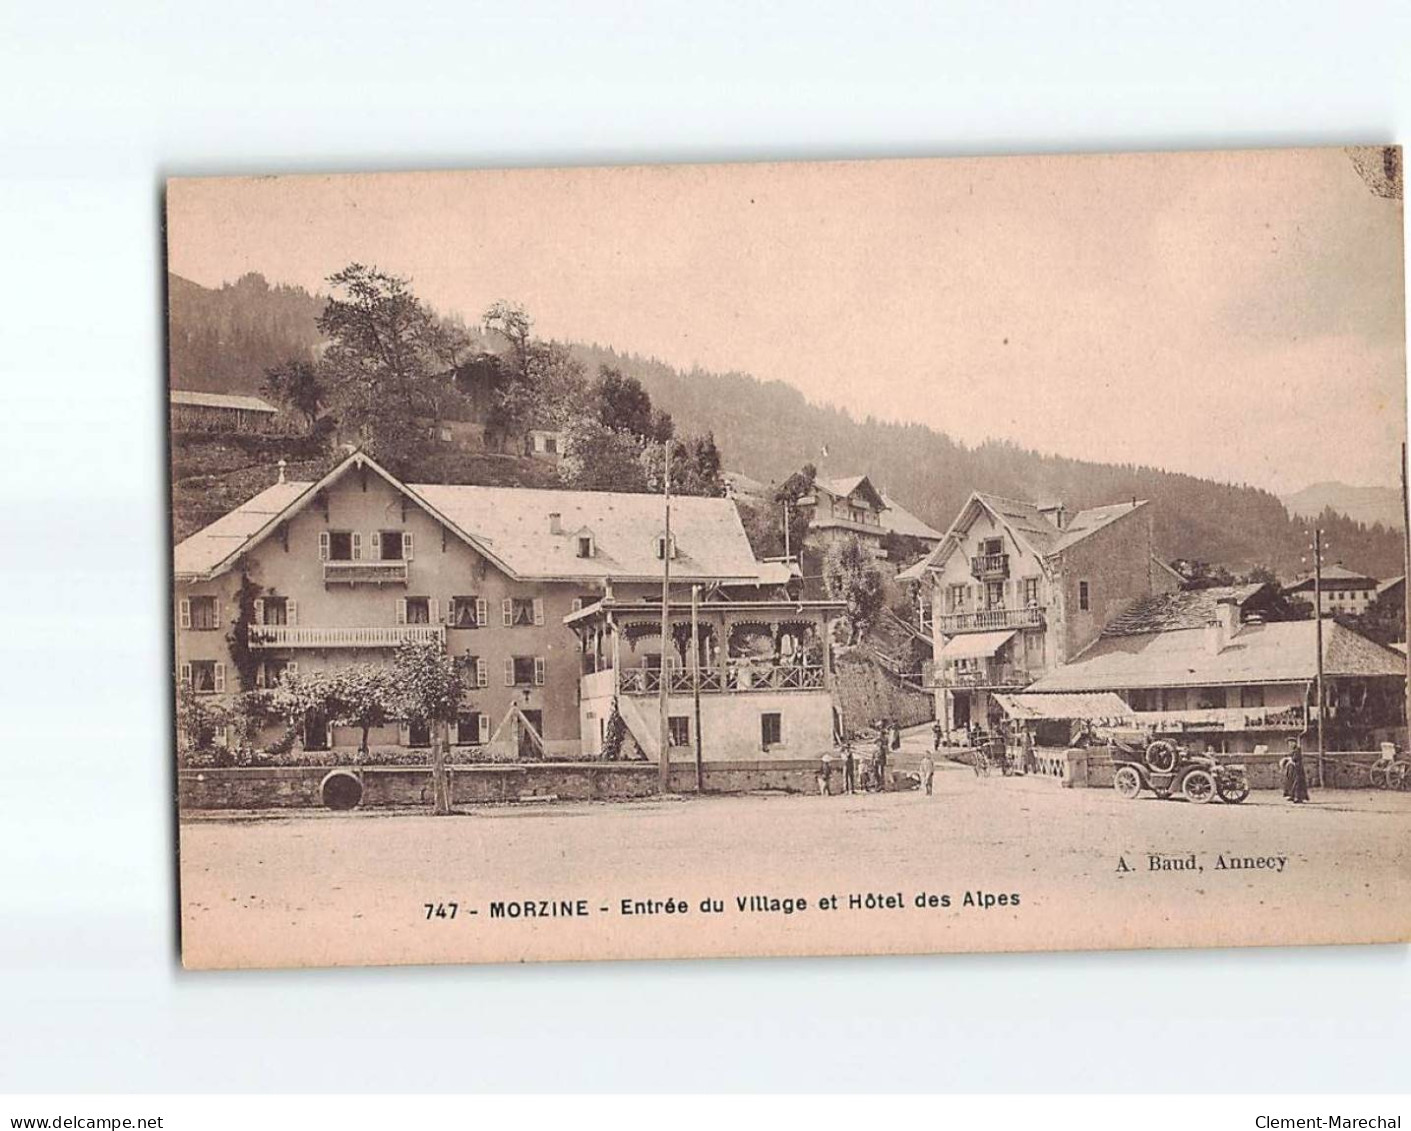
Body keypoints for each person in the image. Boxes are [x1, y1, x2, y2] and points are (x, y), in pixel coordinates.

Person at [1286, 737, 1310, 804]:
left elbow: (1295, 758)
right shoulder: (1292, 750)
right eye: (1289, 743)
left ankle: (1299, 798)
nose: (1290, 744)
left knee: (1298, 783)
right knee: (1292, 782)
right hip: (1294, 769)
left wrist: (1290, 760)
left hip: (1298, 769)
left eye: (1291, 743)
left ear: (1294, 743)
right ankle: (1292, 796)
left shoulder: (1297, 749)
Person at [875, 726, 889, 792]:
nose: (878, 744)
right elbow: (874, 756)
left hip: (881, 763)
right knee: (877, 774)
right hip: (876, 763)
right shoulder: (875, 750)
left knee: (881, 774)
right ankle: (878, 786)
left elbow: (885, 755)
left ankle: (882, 787)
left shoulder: (883, 749)